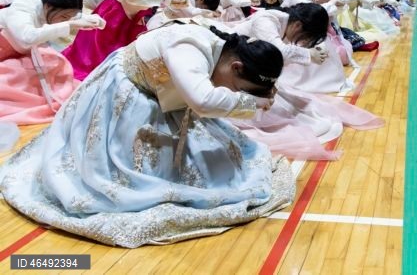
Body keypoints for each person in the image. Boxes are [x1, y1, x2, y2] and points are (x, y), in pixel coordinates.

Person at [0, 24, 294, 248]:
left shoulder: (227, 49)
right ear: (236, 66)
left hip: (165, 93)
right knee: (120, 168)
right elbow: (203, 101)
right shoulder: (189, 47)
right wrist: (252, 103)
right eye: (238, 87)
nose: (234, 94)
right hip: (129, 91)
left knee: (205, 155)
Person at [231, 3, 383, 159]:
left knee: (287, 107)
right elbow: (279, 52)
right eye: (305, 38)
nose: (303, 42)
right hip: (237, 74)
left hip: (249, 72)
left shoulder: (286, 25)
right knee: (258, 110)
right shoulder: (266, 21)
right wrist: (309, 55)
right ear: (298, 25)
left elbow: (274, 59)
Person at [0, 0, 102, 123]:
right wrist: (70, 25)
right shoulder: (22, 8)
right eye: (64, 16)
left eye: (69, 17)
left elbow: (71, 17)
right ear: (48, 6)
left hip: (23, 50)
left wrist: (88, 19)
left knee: (57, 64)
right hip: (8, 50)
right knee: (15, 79)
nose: (66, 20)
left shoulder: (52, 8)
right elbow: (26, 37)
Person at [63, 0, 163, 80]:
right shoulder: (118, 8)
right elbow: (106, 41)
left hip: (117, 13)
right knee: (98, 48)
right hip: (112, 19)